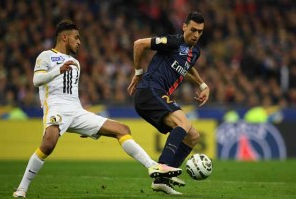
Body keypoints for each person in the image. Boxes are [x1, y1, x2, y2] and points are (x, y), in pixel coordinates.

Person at [13, 19, 182, 198]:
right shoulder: (45, 56)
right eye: (76, 38)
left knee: (122, 129)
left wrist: (85, 124)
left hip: (76, 111)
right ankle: (22, 189)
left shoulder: (75, 63)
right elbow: (36, 81)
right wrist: (58, 71)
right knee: (48, 144)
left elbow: (72, 96)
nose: (79, 42)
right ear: (64, 37)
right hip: (55, 107)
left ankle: (152, 167)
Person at [127, 11, 210, 194]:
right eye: (193, 30)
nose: (196, 35)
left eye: (200, 32)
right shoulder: (173, 41)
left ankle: (162, 180)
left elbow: (188, 67)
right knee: (183, 122)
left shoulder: (195, 51)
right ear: (184, 27)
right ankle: (162, 168)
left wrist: (203, 84)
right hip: (149, 91)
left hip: (157, 94)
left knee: (192, 136)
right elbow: (139, 44)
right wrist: (138, 72)